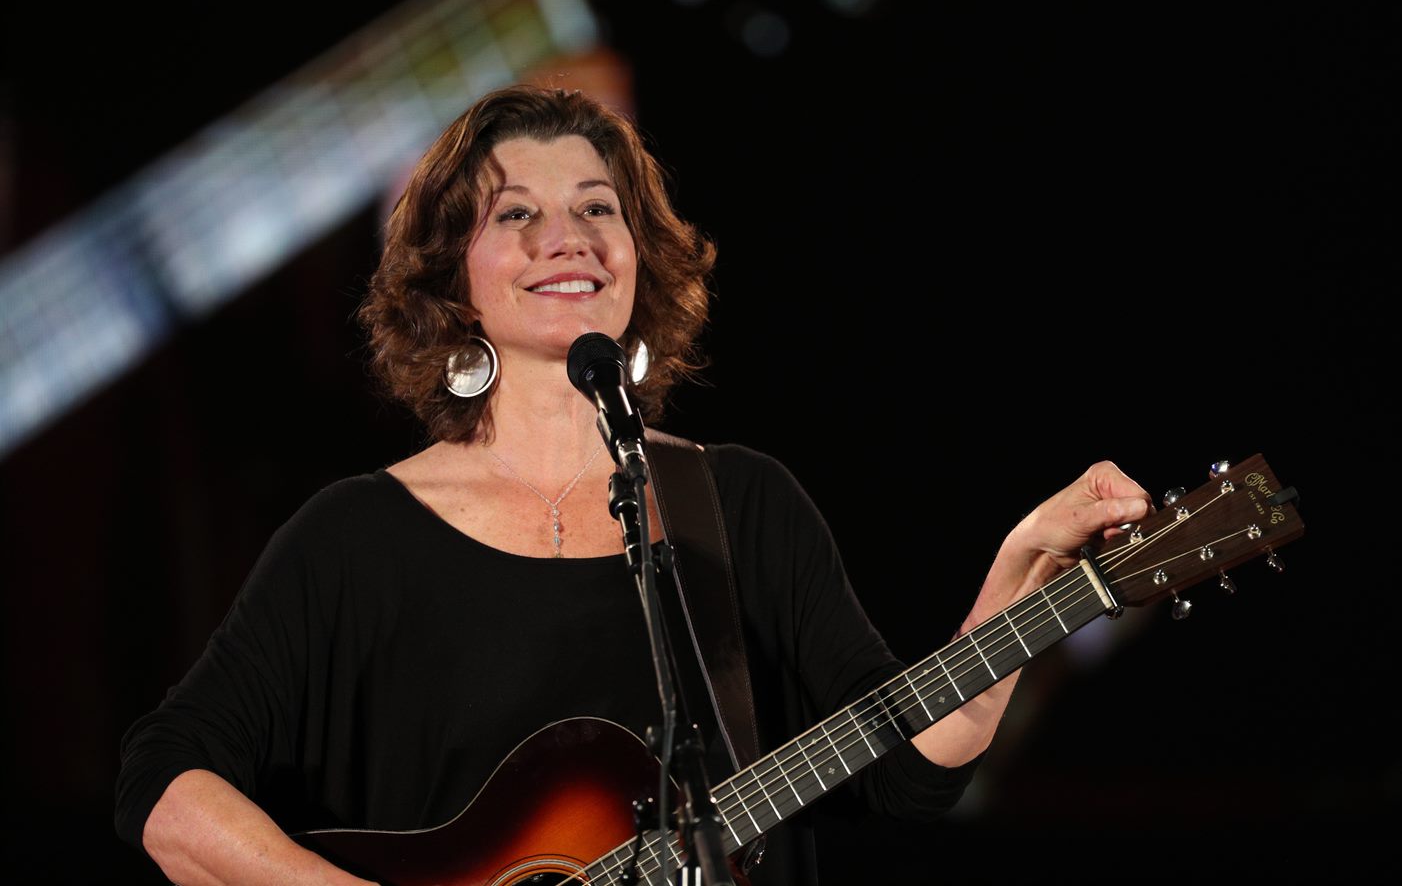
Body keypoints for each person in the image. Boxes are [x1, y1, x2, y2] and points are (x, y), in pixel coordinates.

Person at [115, 84, 1152, 886]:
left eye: (594, 207)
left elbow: (905, 770)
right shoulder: (352, 539)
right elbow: (165, 786)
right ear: (452, 276)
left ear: (635, 256)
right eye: (515, 211)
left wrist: (1019, 584)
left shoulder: (740, 505)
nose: (564, 235)